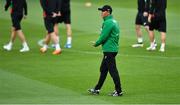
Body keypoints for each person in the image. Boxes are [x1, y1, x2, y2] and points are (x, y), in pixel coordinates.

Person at [88, 5, 123, 96]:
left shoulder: (108, 23)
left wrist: (96, 43)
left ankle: (119, 91)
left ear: (108, 12)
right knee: (103, 69)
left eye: (103, 11)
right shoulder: (113, 21)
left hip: (109, 50)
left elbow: (104, 36)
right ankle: (97, 89)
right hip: (112, 49)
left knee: (112, 70)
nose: (101, 13)